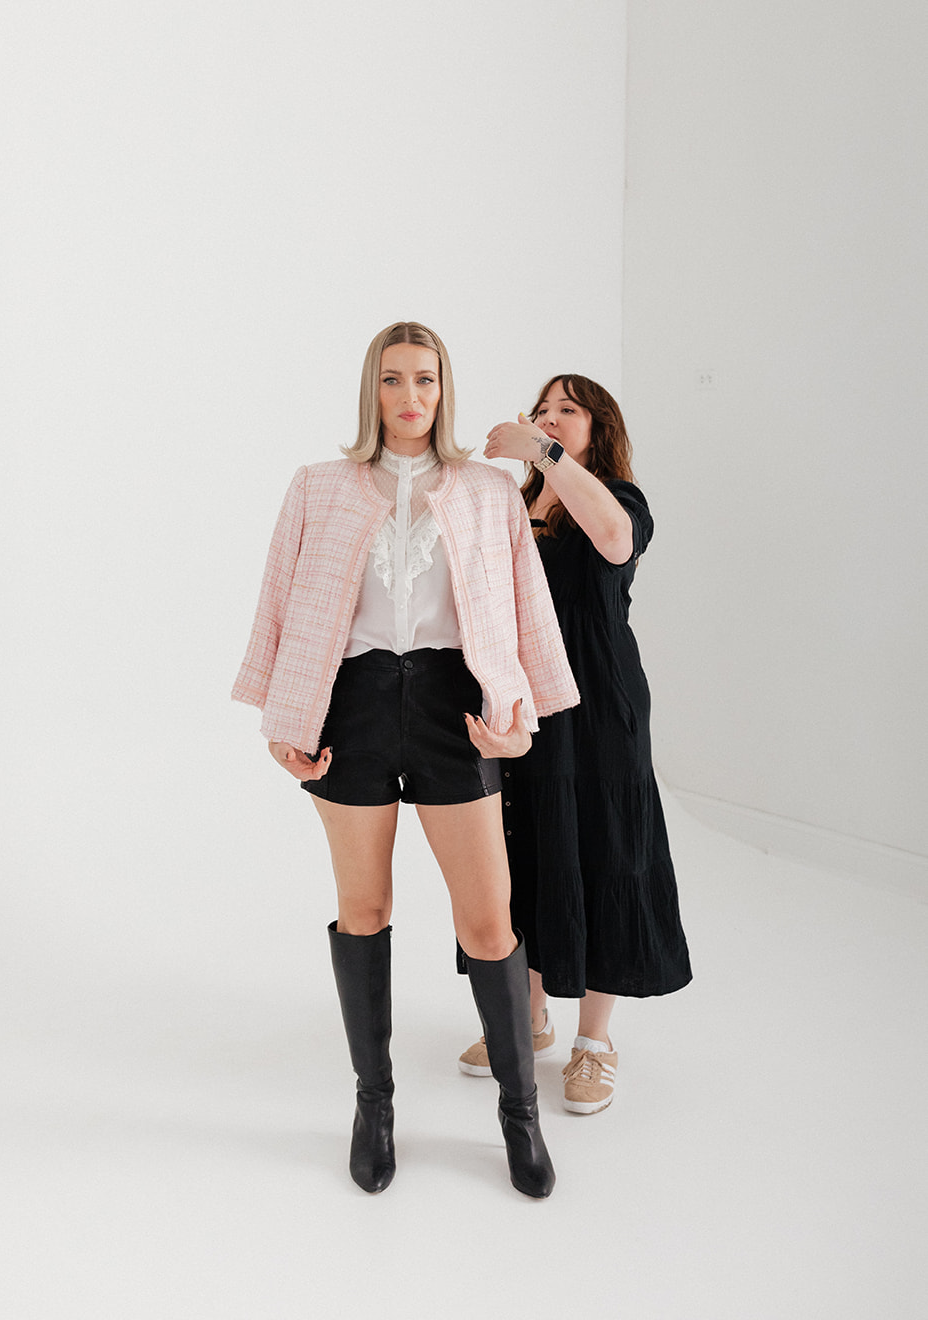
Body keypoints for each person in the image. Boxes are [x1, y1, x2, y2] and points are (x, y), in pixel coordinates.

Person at [232, 323, 579, 1197]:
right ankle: (373, 1105)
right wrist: (281, 717)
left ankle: (519, 1114)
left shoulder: (487, 490)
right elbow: (278, 601)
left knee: (488, 922)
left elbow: (527, 606)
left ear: (443, 389)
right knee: (364, 909)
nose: (409, 396)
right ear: (372, 390)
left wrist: (523, 718)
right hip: (348, 704)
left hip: (451, 705)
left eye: (424, 379)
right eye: (392, 380)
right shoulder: (317, 486)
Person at [457, 375, 692, 1114]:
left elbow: (614, 540)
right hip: (522, 694)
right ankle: (526, 1019)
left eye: (567, 409)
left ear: (598, 426)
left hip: (598, 699)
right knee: (521, 848)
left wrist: (544, 451)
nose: (550, 417)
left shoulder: (617, 497)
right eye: (542, 409)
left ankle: (594, 1043)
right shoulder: (517, 501)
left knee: (607, 851)